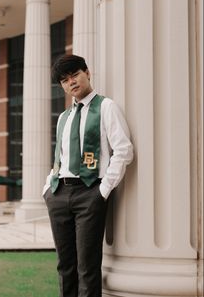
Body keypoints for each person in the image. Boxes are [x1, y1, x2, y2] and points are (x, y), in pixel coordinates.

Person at [42, 54, 133, 297]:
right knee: (65, 266)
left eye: (74, 75)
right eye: (64, 80)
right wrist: (48, 190)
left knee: (88, 267)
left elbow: (123, 150)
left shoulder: (106, 107)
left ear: (87, 73)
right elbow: (59, 157)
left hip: (89, 192)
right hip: (59, 194)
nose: (70, 82)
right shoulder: (64, 117)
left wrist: (102, 191)